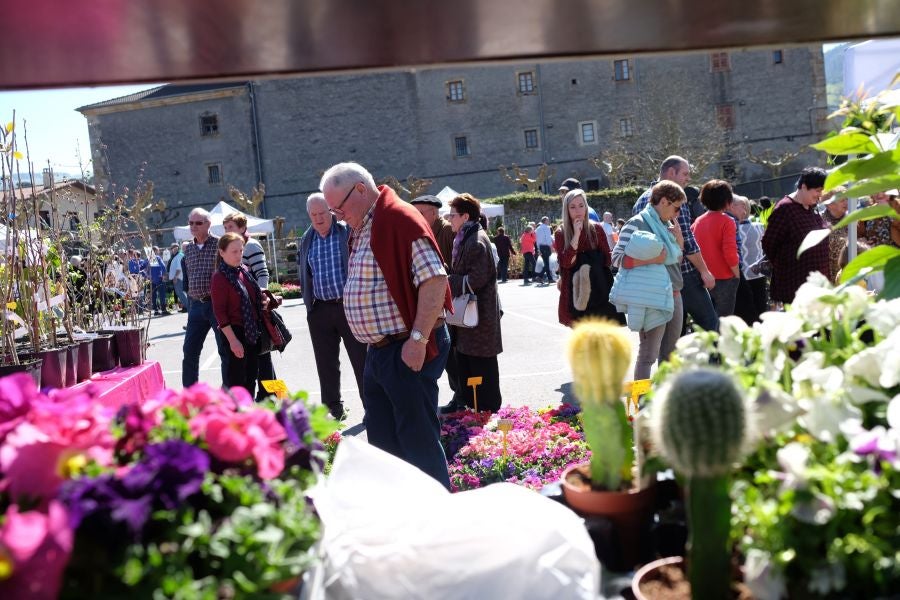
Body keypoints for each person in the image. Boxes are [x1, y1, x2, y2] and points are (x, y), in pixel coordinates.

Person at [320, 162, 453, 489]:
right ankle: (402, 515)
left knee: (418, 441)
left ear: (361, 190)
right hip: (380, 352)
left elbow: (435, 281)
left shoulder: (398, 218)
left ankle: (438, 517)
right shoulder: (364, 225)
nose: (337, 215)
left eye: (339, 207)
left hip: (405, 348)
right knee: (383, 443)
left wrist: (418, 340)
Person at [632, 156, 718, 347]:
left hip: (654, 278)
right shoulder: (676, 197)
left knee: (671, 337)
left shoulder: (640, 201)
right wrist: (704, 271)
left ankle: (674, 375)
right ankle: (713, 373)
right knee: (710, 326)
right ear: (671, 172)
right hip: (682, 275)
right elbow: (687, 241)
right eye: (685, 174)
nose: (688, 179)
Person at [298, 193, 368, 420]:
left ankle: (373, 408)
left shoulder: (346, 232)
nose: (318, 218)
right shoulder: (307, 239)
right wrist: (309, 304)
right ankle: (332, 410)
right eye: (313, 214)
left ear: (331, 211)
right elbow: (305, 273)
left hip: (348, 307)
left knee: (362, 361)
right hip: (320, 309)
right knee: (325, 363)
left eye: (322, 213)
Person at [613, 181, 685, 379]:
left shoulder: (666, 225)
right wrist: (652, 258)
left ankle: (665, 403)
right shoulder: (636, 223)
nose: (677, 214)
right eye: (676, 207)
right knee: (648, 355)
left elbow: (674, 260)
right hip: (650, 297)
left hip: (674, 293)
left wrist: (679, 241)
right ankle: (642, 404)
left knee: (670, 355)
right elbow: (617, 258)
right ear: (663, 202)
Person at [444, 193, 503, 413]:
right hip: (469, 318)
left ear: (465, 216)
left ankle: (486, 413)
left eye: (452, 215)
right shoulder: (466, 237)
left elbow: (477, 278)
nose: (449, 219)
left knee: (481, 367)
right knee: (468, 364)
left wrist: (449, 280)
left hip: (479, 319)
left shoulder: (476, 240)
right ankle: (474, 410)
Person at [223, 211, 274, 399]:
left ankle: (272, 396)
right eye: (225, 228)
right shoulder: (231, 248)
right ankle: (274, 396)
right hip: (243, 314)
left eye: (231, 227)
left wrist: (260, 299)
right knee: (263, 357)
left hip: (255, 312)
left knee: (264, 357)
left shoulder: (251, 245)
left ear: (243, 228)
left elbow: (262, 274)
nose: (227, 231)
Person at [761, 167, 830, 305]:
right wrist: (786, 264)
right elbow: (769, 243)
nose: (820, 195)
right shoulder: (785, 209)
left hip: (816, 285)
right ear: (804, 187)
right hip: (795, 286)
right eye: (817, 190)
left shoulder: (811, 207)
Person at [211, 232, 265, 397]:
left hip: (252, 332)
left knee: (251, 378)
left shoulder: (243, 270)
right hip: (235, 333)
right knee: (237, 382)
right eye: (234, 251)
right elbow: (220, 313)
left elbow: (253, 297)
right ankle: (236, 418)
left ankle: (249, 411)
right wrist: (233, 341)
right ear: (222, 252)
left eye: (241, 251)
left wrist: (267, 299)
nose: (239, 255)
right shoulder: (219, 277)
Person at [182, 208, 229, 387]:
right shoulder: (188, 248)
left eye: (198, 223)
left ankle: (228, 391)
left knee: (225, 350)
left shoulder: (220, 245)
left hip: (216, 305)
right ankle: (190, 393)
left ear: (208, 224)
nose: (193, 226)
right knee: (189, 351)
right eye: (191, 223)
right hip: (195, 306)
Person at [554, 189, 616, 327]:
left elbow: (607, 259)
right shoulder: (561, 232)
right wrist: (576, 235)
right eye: (573, 207)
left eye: (581, 205)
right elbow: (566, 263)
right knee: (581, 339)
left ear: (586, 207)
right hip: (574, 293)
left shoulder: (596, 229)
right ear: (567, 210)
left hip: (598, 290)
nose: (578, 210)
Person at [691, 180, 740, 317]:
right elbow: (730, 252)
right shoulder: (727, 221)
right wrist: (737, 274)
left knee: (708, 323)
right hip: (724, 278)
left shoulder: (697, 222)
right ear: (727, 199)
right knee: (723, 324)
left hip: (702, 277)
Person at [731, 196, 768, 323]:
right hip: (759, 272)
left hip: (741, 274)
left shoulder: (734, 229)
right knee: (761, 308)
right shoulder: (760, 226)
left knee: (745, 313)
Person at [410, 194, 455, 268]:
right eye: (414, 214)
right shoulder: (421, 232)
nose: (416, 217)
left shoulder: (448, 229)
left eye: (420, 213)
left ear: (433, 213)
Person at [149, 246, 170, 316]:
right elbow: (163, 266)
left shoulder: (149, 259)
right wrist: (164, 274)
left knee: (154, 295)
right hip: (159, 278)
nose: (158, 252)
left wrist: (147, 276)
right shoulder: (157, 258)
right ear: (155, 251)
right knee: (162, 294)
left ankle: (156, 310)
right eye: (157, 251)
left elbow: (143, 268)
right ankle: (163, 310)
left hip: (152, 280)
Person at [168, 242, 188, 312]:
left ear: (177, 248)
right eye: (172, 248)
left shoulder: (179, 256)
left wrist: (175, 277)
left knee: (180, 292)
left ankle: (187, 307)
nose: (172, 250)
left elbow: (179, 268)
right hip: (178, 277)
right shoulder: (176, 256)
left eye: (174, 248)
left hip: (179, 278)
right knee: (179, 293)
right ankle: (185, 306)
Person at [535, 216, 555, 284]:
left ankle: (549, 278)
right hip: (546, 246)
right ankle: (540, 276)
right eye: (548, 220)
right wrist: (551, 247)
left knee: (546, 263)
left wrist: (538, 249)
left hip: (541, 247)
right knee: (546, 263)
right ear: (545, 221)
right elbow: (548, 238)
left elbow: (537, 240)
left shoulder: (537, 229)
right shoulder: (547, 228)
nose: (548, 221)